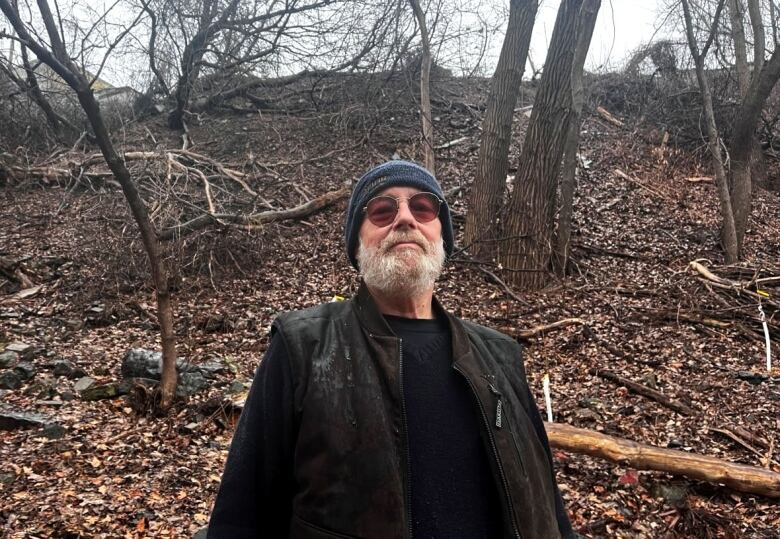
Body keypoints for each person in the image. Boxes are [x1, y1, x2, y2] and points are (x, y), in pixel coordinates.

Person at [207, 160, 575, 538]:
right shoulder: (303, 347)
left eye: (423, 207)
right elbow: (241, 518)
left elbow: (548, 508)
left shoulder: (500, 356)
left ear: (441, 235)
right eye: (383, 210)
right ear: (356, 243)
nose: (405, 219)